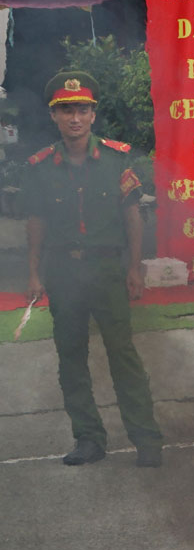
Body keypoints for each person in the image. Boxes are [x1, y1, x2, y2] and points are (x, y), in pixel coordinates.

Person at [23, 71, 163, 467]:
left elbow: (132, 215)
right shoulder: (40, 167)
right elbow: (36, 221)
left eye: (81, 110)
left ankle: (146, 440)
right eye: (65, 110)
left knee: (124, 355)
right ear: (54, 116)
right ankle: (88, 439)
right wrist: (34, 272)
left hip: (106, 271)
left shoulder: (117, 158)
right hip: (64, 274)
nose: (74, 118)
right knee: (71, 358)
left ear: (93, 115)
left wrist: (133, 268)